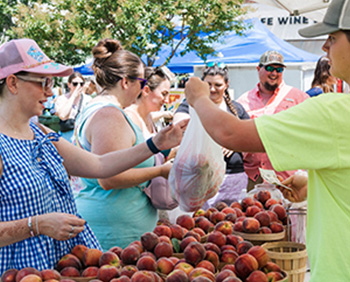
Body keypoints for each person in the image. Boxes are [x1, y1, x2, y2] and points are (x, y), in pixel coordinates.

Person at [184, 0, 350, 280]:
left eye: (332, 38)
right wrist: (315, 183)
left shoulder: (335, 111)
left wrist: (199, 97)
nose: (324, 47)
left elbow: (230, 133)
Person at [0, 38, 187, 273]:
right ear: (13, 83)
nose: (49, 91)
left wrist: (156, 143)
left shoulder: (40, 132)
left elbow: (98, 165)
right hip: (18, 272)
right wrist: (36, 224)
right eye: (43, 82)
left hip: (59, 267)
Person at [74, 39, 184, 250]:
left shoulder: (98, 109)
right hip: (114, 234)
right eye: (142, 83)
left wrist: (158, 143)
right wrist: (159, 171)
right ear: (126, 82)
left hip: (116, 228)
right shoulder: (109, 115)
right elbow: (109, 177)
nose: (143, 90)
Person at [173, 62, 250, 208]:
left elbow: (248, 136)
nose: (213, 89)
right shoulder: (189, 105)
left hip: (232, 178)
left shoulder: (236, 109)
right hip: (199, 177)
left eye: (218, 85)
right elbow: (179, 126)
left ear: (226, 85)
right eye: (208, 85)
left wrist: (234, 143)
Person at [236, 51, 309, 189]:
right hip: (254, 177)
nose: (274, 73)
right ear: (258, 69)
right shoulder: (243, 101)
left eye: (279, 69)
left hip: (287, 178)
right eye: (269, 68)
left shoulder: (298, 98)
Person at [54, 72, 92, 142]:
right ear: (69, 85)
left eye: (81, 84)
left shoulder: (88, 99)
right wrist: (73, 96)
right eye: (75, 84)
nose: (78, 86)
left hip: (82, 138)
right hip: (67, 138)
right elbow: (62, 115)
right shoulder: (62, 99)